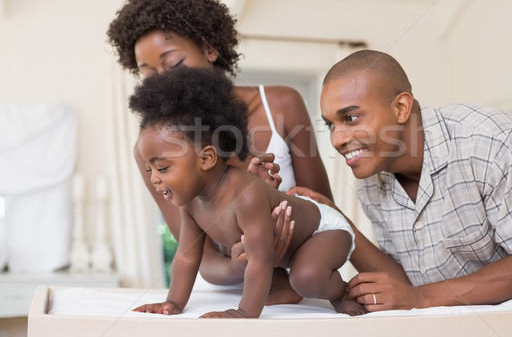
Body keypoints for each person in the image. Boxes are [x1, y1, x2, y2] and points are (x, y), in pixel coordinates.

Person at [292, 49, 512, 335]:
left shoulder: (491, 141)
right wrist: (337, 220)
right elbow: (407, 289)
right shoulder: (372, 179)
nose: (337, 139)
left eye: (350, 118)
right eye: (330, 124)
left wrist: (418, 296)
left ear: (400, 107)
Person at [106, 0, 332, 303]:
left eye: (174, 62)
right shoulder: (152, 152)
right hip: (223, 297)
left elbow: (322, 207)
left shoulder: (282, 104)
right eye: (149, 72)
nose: (166, 78)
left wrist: (267, 204)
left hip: (301, 286)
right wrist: (241, 264)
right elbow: (202, 258)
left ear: (210, 49)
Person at [128, 66, 365, 318]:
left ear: (206, 158)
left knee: (305, 278)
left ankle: (341, 292)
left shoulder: (246, 193)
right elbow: (187, 258)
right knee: (298, 274)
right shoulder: (191, 204)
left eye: (162, 168)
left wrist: (244, 312)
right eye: (148, 168)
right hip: (288, 252)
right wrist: (173, 303)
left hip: (324, 230)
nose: (154, 178)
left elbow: (260, 260)